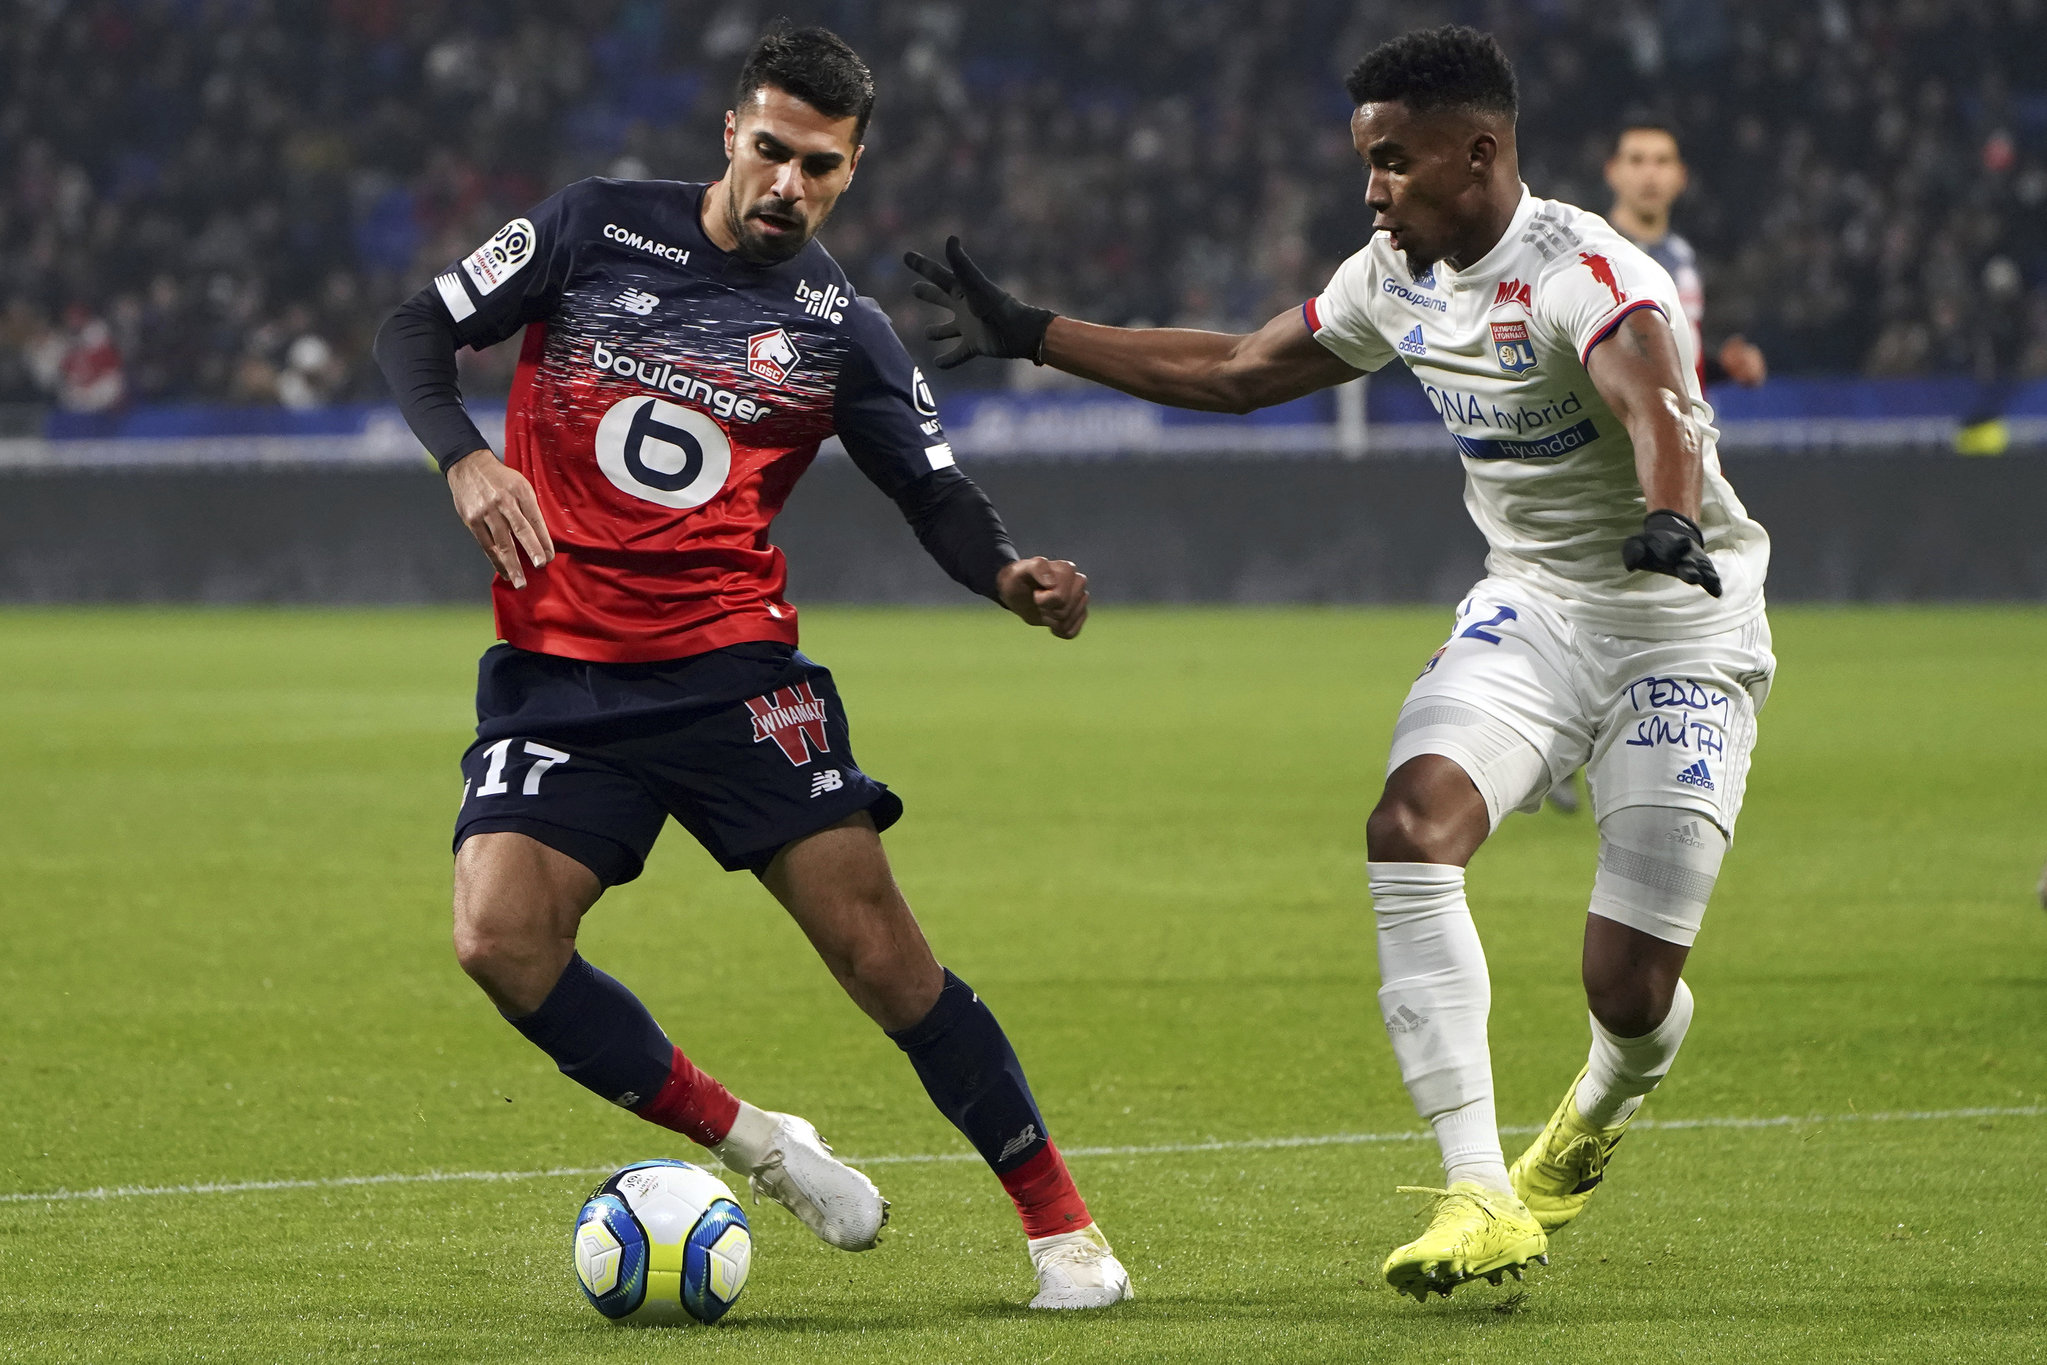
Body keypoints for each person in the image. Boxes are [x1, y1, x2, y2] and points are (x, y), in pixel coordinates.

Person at [908, 24, 1772, 1302]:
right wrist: (1037, 332)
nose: (1372, 189)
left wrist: (1666, 514)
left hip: (1680, 626)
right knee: (1409, 827)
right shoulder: (1392, 277)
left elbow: (1654, 401)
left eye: (1393, 161)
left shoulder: (1585, 270)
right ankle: (1477, 1194)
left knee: (1630, 990)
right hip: (1534, 609)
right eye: (1367, 161)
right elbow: (1236, 371)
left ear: (1476, 152)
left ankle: (1599, 1107)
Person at [371, 24, 1130, 1311]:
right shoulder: (593, 226)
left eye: (819, 166)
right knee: (499, 942)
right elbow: (414, 329)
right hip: (559, 674)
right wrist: (466, 457)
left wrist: (1008, 575)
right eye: (771, 150)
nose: (789, 183)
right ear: (730, 133)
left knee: (884, 961)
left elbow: (932, 491)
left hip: (735, 677)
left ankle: (1065, 1233)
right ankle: (757, 1144)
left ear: (852, 168)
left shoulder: (841, 328)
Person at [1543, 121, 1767, 815]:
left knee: (1647, 608)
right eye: (1635, 159)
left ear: (1679, 178)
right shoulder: (1587, 255)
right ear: (1612, 172)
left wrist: (1719, 372)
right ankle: (1558, 732)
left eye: (1661, 160)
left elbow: (1667, 373)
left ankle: (1602, 739)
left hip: (1674, 459)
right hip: (1608, 464)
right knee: (1584, 602)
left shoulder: (1678, 258)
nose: (1648, 172)